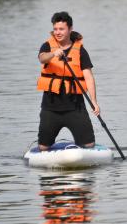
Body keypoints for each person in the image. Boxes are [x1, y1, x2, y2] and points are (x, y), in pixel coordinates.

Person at [36, 11, 100, 151]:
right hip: (51, 108)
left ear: (70, 29)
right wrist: (53, 54)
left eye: (61, 29)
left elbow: (88, 76)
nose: (57, 32)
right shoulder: (47, 46)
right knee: (43, 147)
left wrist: (94, 101)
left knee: (89, 145)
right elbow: (42, 58)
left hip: (75, 107)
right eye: (55, 29)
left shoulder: (80, 50)